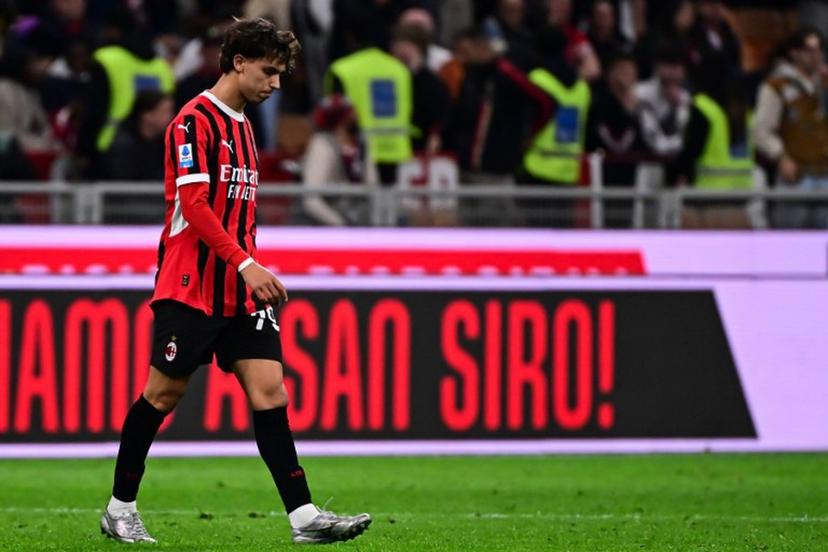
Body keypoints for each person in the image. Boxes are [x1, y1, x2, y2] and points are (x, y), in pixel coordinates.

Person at [99, 18, 371, 545]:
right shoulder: (192, 122)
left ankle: (304, 517)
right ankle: (120, 508)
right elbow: (195, 207)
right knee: (163, 394)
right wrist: (246, 264)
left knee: (271, 390)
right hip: (190, 283)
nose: (275, 83)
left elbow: (239, 212)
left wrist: (249, 269)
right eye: (268, 71)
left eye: (281, 74)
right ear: (238, 62)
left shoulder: (244, 125)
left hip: (239, 290)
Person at [754, 28, 828, 228]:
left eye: (819, 50)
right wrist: (780, 156)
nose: (816, 55)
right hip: (796, 176)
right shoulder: (776, 85)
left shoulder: (823, 84)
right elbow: (761, 130)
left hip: (824, 174)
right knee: (791, 241)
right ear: (794, 53)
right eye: (810, 50)